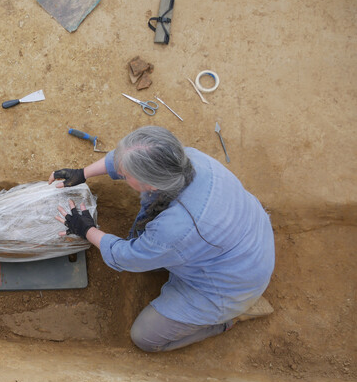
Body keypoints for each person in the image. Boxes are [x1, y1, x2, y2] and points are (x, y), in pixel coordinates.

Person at [50, 126, 275, 352]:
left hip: (230, 285)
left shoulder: (174, 230)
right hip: (248, 241)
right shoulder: (188, 159)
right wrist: (83, 172)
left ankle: (226, 319)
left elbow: (126, 257)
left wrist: (86, 229)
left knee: (145, 338)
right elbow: (131, 160)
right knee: (162, 247)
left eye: (126, 176)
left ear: (152, 185)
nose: (122, 175)